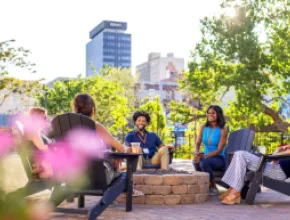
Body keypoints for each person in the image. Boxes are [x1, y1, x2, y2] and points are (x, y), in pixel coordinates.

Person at [72, 93, 143, 196]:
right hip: (96, 179)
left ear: (75, 108)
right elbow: (120, 148)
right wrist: (119, 155)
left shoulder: (64, 128)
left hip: (72, 178)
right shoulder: (96, 126)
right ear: (93, 110)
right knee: (123, 170)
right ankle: (129, 190)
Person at [220, 144, 290, 205]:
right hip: (273, 167)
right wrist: (278, 150)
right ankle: (233, 188)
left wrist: (278, 152)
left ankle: (235, 192)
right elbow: (275, 157)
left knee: (241, 154)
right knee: (238, 154)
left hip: (278, 171)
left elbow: (279, 155)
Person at [193, 105, 227, 196]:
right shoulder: (203, 127)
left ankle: (213, 187)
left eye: (213, 113)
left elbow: (220, 150)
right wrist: (197, 152)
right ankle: (204, 185)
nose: (210, 115)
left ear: (218, 115)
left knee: (204, 162)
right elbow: (197, 143)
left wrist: (204, 156)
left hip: (219, 158)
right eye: (209, 113)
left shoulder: (222, 129)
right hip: (207, 157)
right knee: (196, 161)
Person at [15, 107, 54, 179]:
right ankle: (36, 177)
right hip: (40, 159)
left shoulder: (35, 130)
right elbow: (42, 147)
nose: (46, 120)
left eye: (45, 117)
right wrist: (54, 146)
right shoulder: (32, 131)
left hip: (39, 158)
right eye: (44, 118)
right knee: (53, 172)